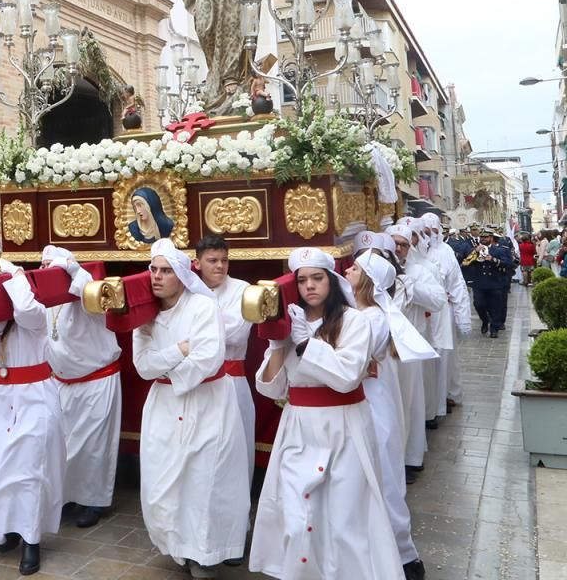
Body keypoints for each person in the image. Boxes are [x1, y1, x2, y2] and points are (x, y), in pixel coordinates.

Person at [249, 248, 405, 580]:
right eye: (302, 280)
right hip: (299, 427)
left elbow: (348, 377)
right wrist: (279, 345)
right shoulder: (292, 324)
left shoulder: (355, 321)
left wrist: (308, 345)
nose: (309, 286)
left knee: (343, 519)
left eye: (317, 278)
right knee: (297, 515)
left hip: (344, 426)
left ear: (331, 281)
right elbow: (271, 388)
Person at [135, 239, 249, 578]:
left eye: (166, 270)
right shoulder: (144, 315)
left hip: (206, 402)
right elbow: (142, 366)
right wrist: (178, 350)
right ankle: (178, 545)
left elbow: (208, 358)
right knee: (163, 479)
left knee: (204, 481)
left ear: (182, 274)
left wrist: (166, 362)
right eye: (153, 269)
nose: (157, 277)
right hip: (164, 405)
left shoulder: (203, 306)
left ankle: (205, 552)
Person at [0, 259, 67, 576]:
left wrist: (14, 278)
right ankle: (6, 528)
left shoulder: (34, 314)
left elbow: (26, 310)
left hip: (33, 397)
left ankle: (31, 540)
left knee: (29, 472)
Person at [345, 251, 434, 580]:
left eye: (354, 268)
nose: (347, 270)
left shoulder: (372, 317)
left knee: (383, 477)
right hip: (368, 400)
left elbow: (351, 361)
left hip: (373, 404)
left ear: (367, 278)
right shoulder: (361, 311)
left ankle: (403, 554)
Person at [32, 246, 121, 529]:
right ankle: (68, 496)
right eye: (43, 267)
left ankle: (92, 501)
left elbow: (88, 290)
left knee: (93, 447)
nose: (46, 272)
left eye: (52, 267)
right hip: (62, 383)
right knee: (65, 446)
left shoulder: (87, 293)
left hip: (96, 380)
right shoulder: (47, 301)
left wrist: (74, 270)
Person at [386, 224, 448, 482]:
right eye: (395, 244)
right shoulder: (382, 272)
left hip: (410, 347)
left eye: (403, 244)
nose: (399, 248)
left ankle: (411, 460)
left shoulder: (418, 271)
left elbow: (438, 299)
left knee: (411, 402)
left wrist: (412, 287)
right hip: (385, 349)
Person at [193, 234, 254, 486]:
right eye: (213, 260)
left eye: (224, 260)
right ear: (197, 263)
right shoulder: (188, 290)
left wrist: (194, 335)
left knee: (235, 446)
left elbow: (236, 334)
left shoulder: (243, 290)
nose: (220, 266)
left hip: (231, 378)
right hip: (198, 381)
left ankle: (239, 514)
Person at [416, 213, 472, 420]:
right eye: (425, 232)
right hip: (419, 313)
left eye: (433, 232)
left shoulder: (446, 251)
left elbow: (457, 284)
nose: (429, 237)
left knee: (443, 356)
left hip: (441, 314)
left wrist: (462, 316)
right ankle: (429, 402)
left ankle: (444, 397)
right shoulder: (415, 254)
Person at [464, 228, 517, 338]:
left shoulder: (500, 250)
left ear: (491, 238)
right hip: (479, 283)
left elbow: (509, 264)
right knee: (478, 304)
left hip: (495, 282)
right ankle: (484, 320)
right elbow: (465, 263)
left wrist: (493, 260)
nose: (483, 239)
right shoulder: (475, 249)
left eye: (486, 237)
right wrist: (475, 253)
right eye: (482, 237)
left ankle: (494, 328)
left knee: (496, 306)